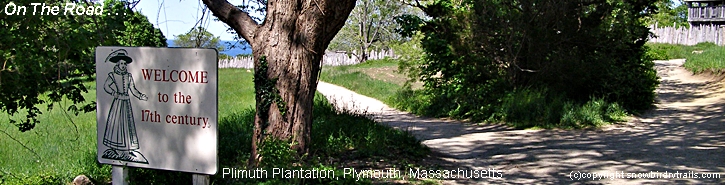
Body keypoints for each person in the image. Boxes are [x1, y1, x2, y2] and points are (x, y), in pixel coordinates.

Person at [101, 49, 149, 164]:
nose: (123, 66)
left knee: (127, 124)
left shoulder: (128, 76)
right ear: (118, 64)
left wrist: (141, 96)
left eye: (124, 64)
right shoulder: (112, 75)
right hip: (118, 103)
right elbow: (106, 86)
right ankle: (116, 148)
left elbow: (133, 89)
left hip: (127, 102)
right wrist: (114, 93)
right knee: (117, 124)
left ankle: (127, 148)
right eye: (121, 63)